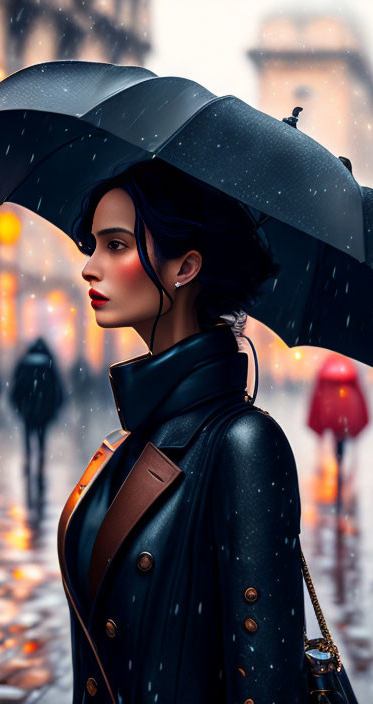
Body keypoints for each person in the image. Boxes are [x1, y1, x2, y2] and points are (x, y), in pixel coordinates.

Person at [58, 159, 306, 703]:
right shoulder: (136, 435)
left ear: (185, 267)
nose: (90, 268)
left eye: (116, 245)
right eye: (93, 245)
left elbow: (266, 687)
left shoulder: (242, 444)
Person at [10, 337, 65, 516]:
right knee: (41, 440)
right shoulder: (49, 364)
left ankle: (28, 462)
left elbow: (16, 389)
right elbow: (58, 390)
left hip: (29, 411)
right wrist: (52, 409)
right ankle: (39, 468)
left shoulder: (25, 363)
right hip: (43, 411)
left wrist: (20, 407)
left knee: (28, 438)